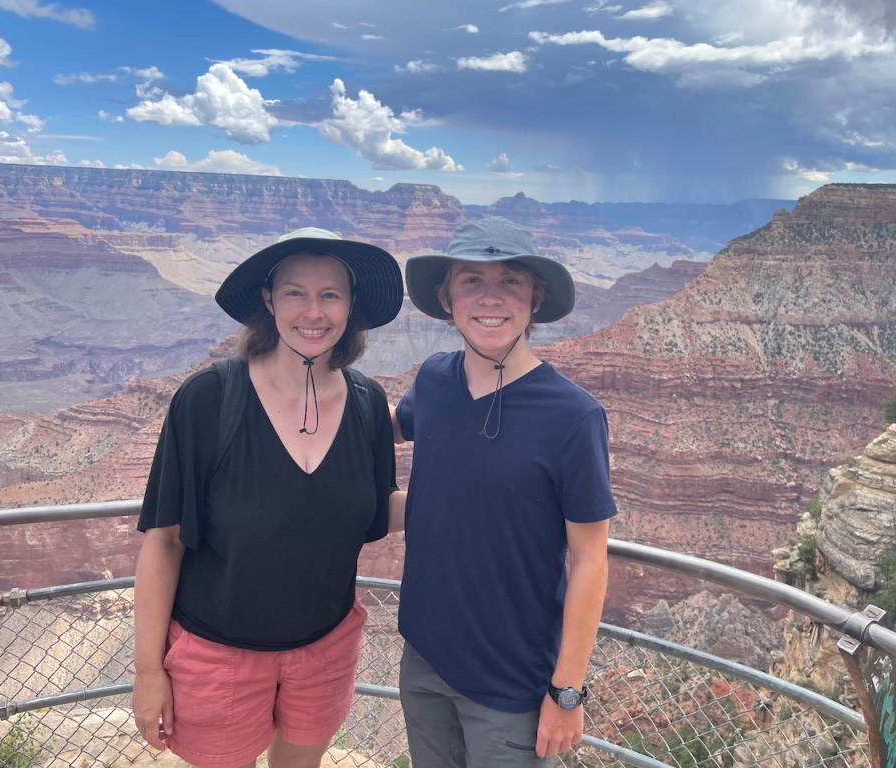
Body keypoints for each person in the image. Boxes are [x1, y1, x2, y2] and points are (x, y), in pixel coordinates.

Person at [132, 227, 406, 768]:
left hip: (324, 651)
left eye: (330, 294)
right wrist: (147, 673)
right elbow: (163, 542)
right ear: (268, 300)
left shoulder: (368, 404)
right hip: (218, 656)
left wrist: (475, 496)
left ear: (351, 306)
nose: (313, 311)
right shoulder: (209, 399)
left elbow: (380, 508)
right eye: (294, 292)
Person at [393, 216, 618, 766]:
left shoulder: (573, 415)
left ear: (534, 300)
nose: (490, 298)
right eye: (471, 280)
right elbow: (364, 434)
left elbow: (590, 559)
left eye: (510, 282)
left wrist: (567, 691)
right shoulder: (434, 379)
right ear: (447, 299)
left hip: (511, 683)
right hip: (422, 658)